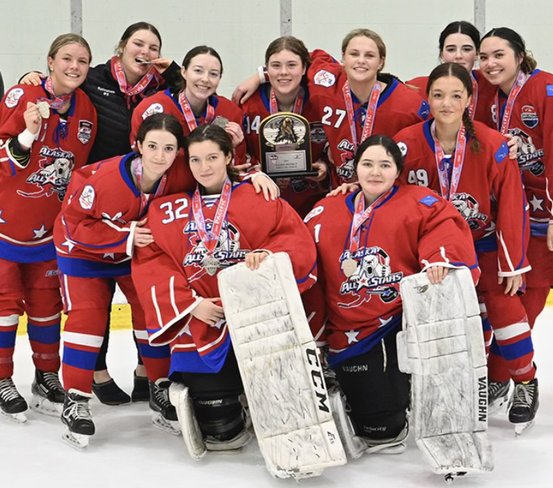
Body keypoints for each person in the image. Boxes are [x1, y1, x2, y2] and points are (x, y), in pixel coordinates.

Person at [22, 22, 181, 404]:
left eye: (152, 46)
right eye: (137, 44)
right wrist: (33, 81)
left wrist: (173, 70)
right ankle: (97, 372)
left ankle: (148, 376)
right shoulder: (94, 78)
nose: (144, 51)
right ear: (122, 47)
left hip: (140, 191)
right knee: (95, 301)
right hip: (98, 191)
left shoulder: (159, 86)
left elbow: (185, 98)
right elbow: (63, 80)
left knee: (144, 297)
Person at [131, 124, 317, 451]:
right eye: (196, 160)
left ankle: (251, 393)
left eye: (213, 157)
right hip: (205, 320)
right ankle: (219, 395)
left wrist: (270, 255)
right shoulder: (165, 210)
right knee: (223, 434)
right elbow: (152, 263)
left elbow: (294, 238)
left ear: (229, 157)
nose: (205, 167)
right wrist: (191, 306)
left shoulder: (260, 196)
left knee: (283, 409)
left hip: (254, 316)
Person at [303, 134, 479, 452]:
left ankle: (403, 392)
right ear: (355, 169)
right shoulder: (325, 209)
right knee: (373, 427)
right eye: (367, 164)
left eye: (385, 165)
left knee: (384, 431)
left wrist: (439, 256)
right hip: (344, 329)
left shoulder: (419, 202)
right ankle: (344, 386)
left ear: (397, 171)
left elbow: (445, 226)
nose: (375, 172)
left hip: (393, 323)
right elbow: (300, 249)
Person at [394, 62, 538, 430]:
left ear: (469, 100)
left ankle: (525, 381)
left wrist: (512, 262)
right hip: (430, 253)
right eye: (439, 95)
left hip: (483, 244)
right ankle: (443, 390)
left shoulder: (491, 144)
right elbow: (388, 192)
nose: (446, 103)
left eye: (456, 95)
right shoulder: (406, 142)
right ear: (427, 99)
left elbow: (510, 202)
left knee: (504, 310)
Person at [479, 27, 553, 421]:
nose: (490, 63)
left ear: (519, 55)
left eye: (499, 54)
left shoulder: (549, 89)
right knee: (520, 299)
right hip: (534, 215)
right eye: (484, 57)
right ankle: (506, 376)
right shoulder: (490, 96)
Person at [54, 113, 183, 447]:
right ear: (137, 145)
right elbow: (74, 225)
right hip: (81, 253)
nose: (159, 156)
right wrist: (126, 234)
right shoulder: (100, 178)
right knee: (88, 319)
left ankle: (160, 385)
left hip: (131, 254)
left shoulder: (179, 175)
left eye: (168, 148)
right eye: (152, 146)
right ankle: (76, 399)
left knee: (151, 312)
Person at [0, 33, 97, 420]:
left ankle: (45, 376)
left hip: (48, 231)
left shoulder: (86, 109)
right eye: (67, 58)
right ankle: (3, 378)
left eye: (83, 61)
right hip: (5, 228)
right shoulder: (19, 97)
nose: (74, 66)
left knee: (46, 308)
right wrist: (25, 134)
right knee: (4, 310)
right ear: (50, 61)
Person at [234, 29, 430, 189]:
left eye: (369, 55)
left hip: (386, 193)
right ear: (343, 58)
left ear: (381, 62)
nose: (361, 60)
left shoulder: (408, 104)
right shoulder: (326, 83)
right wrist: (261, 75)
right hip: (340, 193)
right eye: (354, 54)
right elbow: (295, 58)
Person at [131, 45, 248, 187]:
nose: (205, 79)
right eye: (198, 71)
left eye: (213, 74)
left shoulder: (231, 112)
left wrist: (236, 147)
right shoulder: (151, 109)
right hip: (166, 194)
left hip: (213, 196)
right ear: (184, 72)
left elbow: (238, 168)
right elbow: (139, 159)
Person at [241, 36, 329, 217]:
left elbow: (335, 142)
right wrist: (255, 171)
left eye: (291, 65)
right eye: (275, 66)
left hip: (313, 203)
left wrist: (325, 164)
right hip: (263, 201)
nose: (283, 72)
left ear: (304, 68)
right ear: (266, 69)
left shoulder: (320, 102)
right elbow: (238, 152)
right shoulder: (247, 103)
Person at [405, 21, 496, 123]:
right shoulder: (417, 87)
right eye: (451, 49)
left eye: (466, 49)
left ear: (476, 54)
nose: (458, 55)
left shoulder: (491, 84)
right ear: (441, 54)